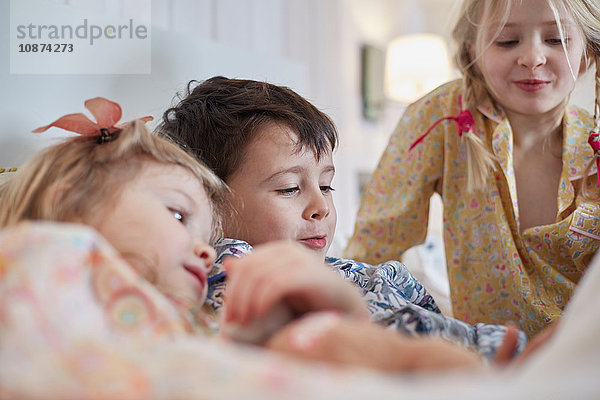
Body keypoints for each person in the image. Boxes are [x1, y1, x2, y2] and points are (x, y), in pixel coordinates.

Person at [0, 97, 484, 376]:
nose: (206, 245)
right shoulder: (43, 254)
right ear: (71, 206)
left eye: (327, 185)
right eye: (176, 214)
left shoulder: (177, 308)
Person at [158, 76, 527, 359]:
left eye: (327, 185)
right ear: (209, 201)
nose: (321, 205)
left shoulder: (356, 271)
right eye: (289, 188)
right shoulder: (231, 270)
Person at [345, 0, 600, 337]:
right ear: (471, 54)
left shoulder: (592, 145)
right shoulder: (443, 117)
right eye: (507, 41)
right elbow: (373, 249)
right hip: (487, 362)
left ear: (587, 55)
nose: (532, 58)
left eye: (556, 40)